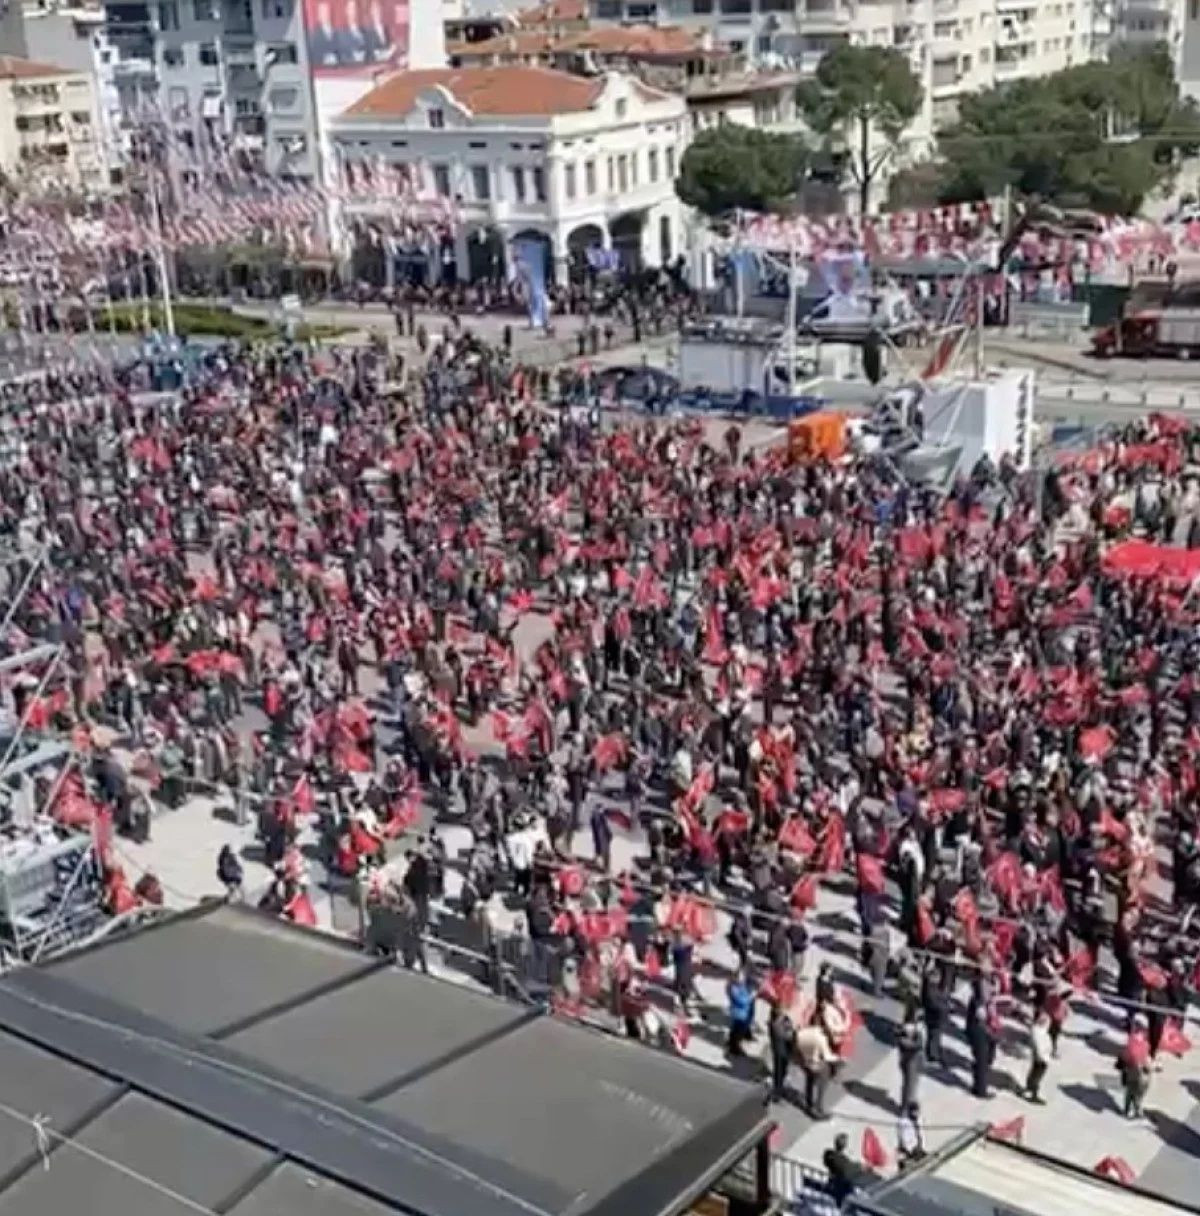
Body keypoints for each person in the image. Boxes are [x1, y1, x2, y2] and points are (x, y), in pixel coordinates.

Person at [823, 1132, 866, 1205]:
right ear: (845, 1145)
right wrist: (859, 1165)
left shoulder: (830, 1155)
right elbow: (850, 1169)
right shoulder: (842, 1160)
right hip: (843, 1187)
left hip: (836, 1183)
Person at [897, 1009, 926, 1111]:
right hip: (909, 1060)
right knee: (909, 1084)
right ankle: (905, 1107)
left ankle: (911, 1102)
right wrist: (918, 1041)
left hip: (916, 1059)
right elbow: (906, 1044)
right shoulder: (907, 1029)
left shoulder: (917, 1027)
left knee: (913, 1084)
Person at [767, 1003, 796, 1102]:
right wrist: (792, 1031)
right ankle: (777, 1093)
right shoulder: (776, 1023)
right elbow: (786, 1036)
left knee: (781, 1071)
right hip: (780, 1052)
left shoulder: (780, 1020)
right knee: (779, 1072)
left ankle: (779, 1088)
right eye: (782, 1009)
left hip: (781, 1051)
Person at [1025, 1010, 1053, 1104]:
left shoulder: (1041, 1028)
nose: (1046, 1021)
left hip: (1043, 1056)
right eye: (1043, 1019)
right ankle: (1033, 1094)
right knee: (1037, 1076)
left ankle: (1030, 1088)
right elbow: (1038, 1045)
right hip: (1041, 1058)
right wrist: (1042, 1056)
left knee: (1034, 1073)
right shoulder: (1037, 1031)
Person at [726, 972, 755, 1057]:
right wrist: (750, 997)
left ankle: (733, 1044)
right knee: (737, 1032)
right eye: (741, 978)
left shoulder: (742, 987)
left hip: (743, 1014)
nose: (742, 979)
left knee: (736, 1031)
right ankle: (734, 1048)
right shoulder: (734, 988)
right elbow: (741, 1001)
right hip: (738, 1014)